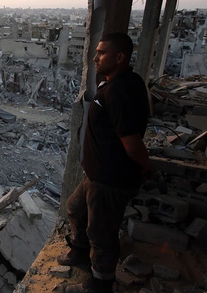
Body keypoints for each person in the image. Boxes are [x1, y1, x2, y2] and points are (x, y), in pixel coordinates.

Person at [57, 32, 154, 293]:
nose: (95, 57)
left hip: (110, 180)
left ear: (120, 57)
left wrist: (146, 167)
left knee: (102, 235)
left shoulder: (120, 91)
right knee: (75, 208)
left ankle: (99, 284)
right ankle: (79, 252)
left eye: (101, 53)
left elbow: (131, 143)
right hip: (97, 175)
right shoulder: (115, 82)